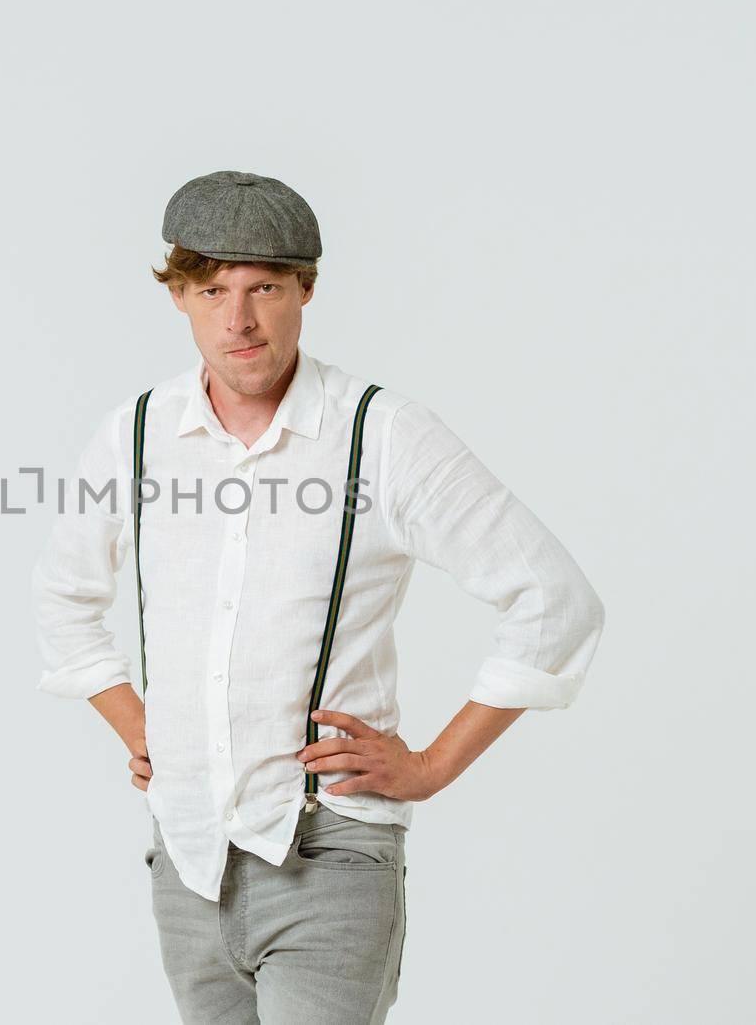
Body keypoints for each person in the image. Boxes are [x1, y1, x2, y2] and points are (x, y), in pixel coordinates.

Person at [29, 169, 606, 1024]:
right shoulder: (139, 434)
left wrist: (431, 766)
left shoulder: (381, 434)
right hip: (187, 860)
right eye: (212, 289)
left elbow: (555, 600)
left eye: (264, 285)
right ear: (180, 296)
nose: (240, 318)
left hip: (329, 853)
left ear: (306, 288)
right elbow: (62, 599)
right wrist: (146, 726)